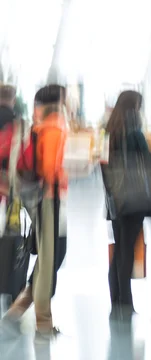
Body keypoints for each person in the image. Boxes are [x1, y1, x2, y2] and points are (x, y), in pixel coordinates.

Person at [1, 85, 68, 339]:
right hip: (49, 200)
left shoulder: (41, 126)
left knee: (50, 256)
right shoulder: (53, 128)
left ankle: (21, 308)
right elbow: (50, 168)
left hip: (44, 200)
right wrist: (58, 178)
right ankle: (43, 322)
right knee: (49, 259)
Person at [104, 90, 151, 314]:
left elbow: (102, 165)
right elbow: (148, 162)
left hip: (114, 199)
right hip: (133, 198)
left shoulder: (109, 132)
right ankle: (126, 301)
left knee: (118, 248)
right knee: (127, 250)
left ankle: (116, 299)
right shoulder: (135, 133)